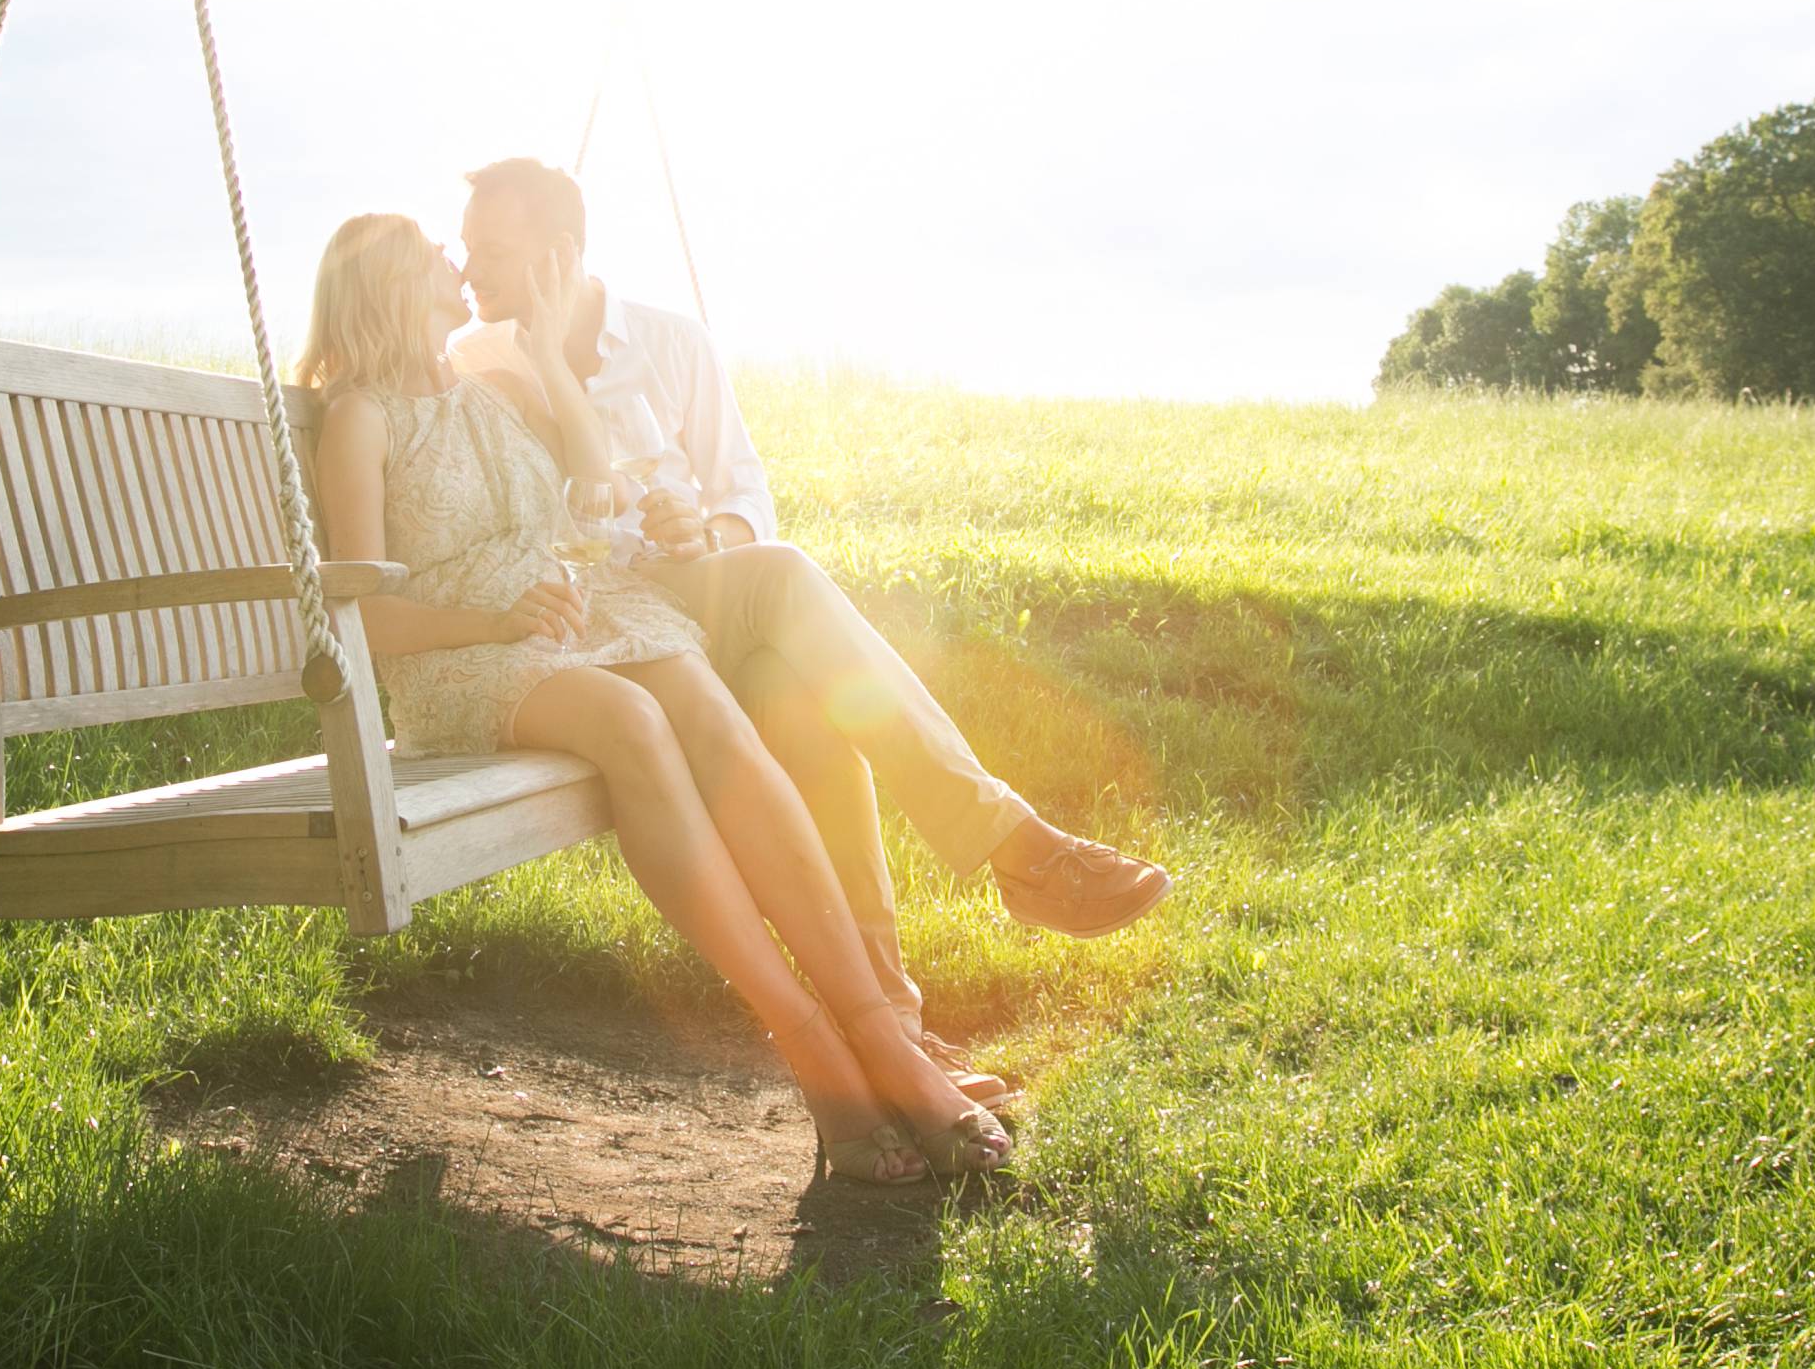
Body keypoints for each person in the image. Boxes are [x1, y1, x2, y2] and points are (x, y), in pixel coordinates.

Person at [298, 213, 1013, 1182]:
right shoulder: (361, 416)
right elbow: (363, 613)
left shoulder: (495, 385)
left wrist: (548, 355)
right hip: (466, 653)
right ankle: (809, 1046)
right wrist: (494, 621)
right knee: (633, 721)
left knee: (714, 718)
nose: (458, 262)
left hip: (579, 615)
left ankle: (881, 1039)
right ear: (386, 279)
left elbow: (593, 486)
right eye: (435, 251)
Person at [451, 158, 1170, 1091]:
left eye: (491, 252)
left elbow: (745, 489)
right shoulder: (478, 362)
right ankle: (1011, 858)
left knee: (791, 665)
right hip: (605, 632)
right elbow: (486, 521)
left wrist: (703, 527)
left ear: (560, 254)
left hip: (696, 594)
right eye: (466, 252)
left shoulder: (671, 343)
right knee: (791, 639)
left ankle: (903, 1025)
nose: (471, 273)